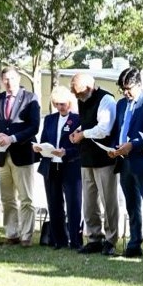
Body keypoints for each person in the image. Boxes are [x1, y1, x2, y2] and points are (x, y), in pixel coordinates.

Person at [110, 68, 143, 261]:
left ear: (139, 85)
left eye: (128, 88)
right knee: (132, 205)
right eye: (122, 89)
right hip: (124, 161)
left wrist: (133, 145)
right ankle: (134, 243)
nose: (125, 92)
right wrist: (113, 148)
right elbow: (118, 130)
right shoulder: (121, 104)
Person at [0, 67, 41, 246]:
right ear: (1, 80)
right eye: (5, 79)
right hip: (2, 155)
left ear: (18, 78)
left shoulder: (30, 98)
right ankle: (12, 234)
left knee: (26, 198)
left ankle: (26, 235)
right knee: (7, 198)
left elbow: (34, 127)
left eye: (11, 78)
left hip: (22, 153)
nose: (8, 82)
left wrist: (12, 138)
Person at [69, 72, 120, 256]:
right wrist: (77, 131)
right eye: (75, 93)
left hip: (104, 158)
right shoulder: (82, 99)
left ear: (89, 87)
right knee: (89, 203)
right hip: (86, 157)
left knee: (108, 201)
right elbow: (87, 123)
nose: (77, 97)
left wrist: (83, 134)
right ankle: (93, 238)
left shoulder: (106, 100)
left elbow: (104, 129)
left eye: (79, 93)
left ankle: (110, 240)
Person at [34, 86, 83, 250]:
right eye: (57, 104)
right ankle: (58, 240)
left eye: (63, 103)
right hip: (50, 165)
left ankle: (75, 240)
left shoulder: (78, 119)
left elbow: (81, 147)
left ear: (70, 102)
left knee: (73, 204)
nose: (60, 107)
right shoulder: (49, 119)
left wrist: (66, 152)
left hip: (70, 166)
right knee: (54, 204)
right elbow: (44, 140)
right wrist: (39, 148)